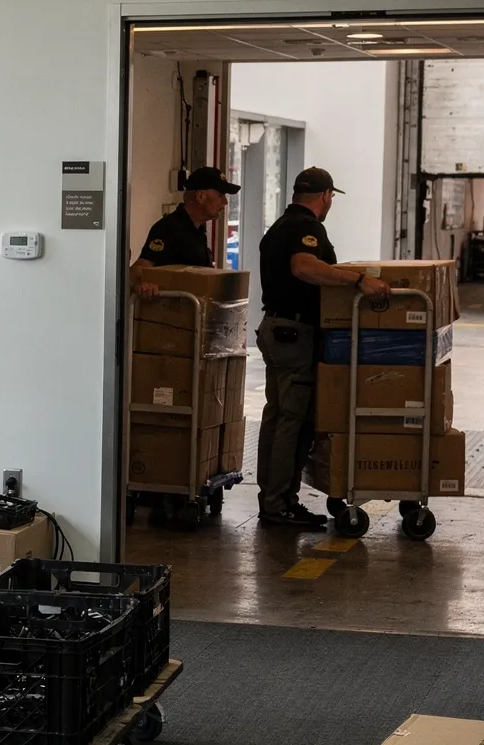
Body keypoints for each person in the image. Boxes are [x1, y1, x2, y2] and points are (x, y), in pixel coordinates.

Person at [255, 166, 391, 527]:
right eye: (331, 197)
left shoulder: (279, 226)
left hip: (277, 329)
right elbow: (304, 267)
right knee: (292, 421)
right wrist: (358, 280)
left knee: (277, 416)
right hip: (294, 334)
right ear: (325, 196)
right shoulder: (307, 228)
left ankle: (272, 498)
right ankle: (279, 503)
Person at [131, 166, 240, 297]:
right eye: (220, 196)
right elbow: (138, 270)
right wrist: (142, 284)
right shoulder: (169, 228)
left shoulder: (198, 230)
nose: (225, 202)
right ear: (200, 196)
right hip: (172, 308)